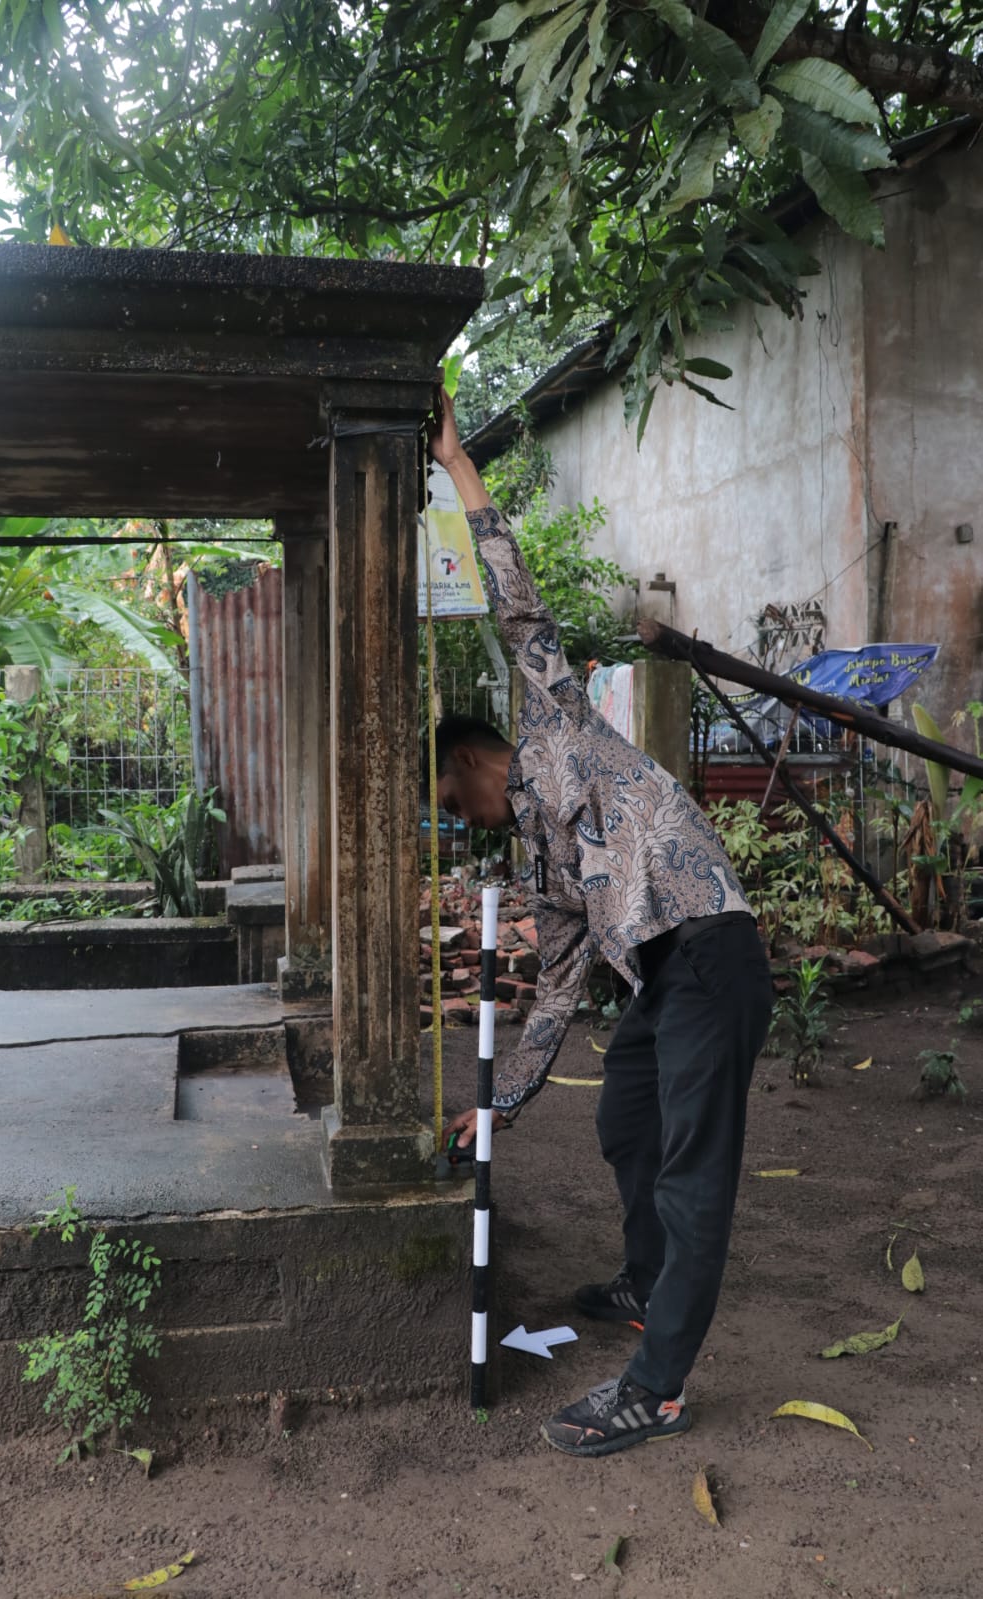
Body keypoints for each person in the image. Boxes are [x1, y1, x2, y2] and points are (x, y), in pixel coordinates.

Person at [427, 388, 773, 1458]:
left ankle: (656, 1387)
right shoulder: (538, 863)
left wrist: (456, 465)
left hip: (711, 948)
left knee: (689, 1169)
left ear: (473, 761)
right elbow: (554, 995)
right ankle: (645, 1282)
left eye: (451, 803)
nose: (461, 825)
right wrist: (503, 1109)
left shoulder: (551, 721)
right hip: (660, 978)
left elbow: (513, 595)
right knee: (624, 1116)